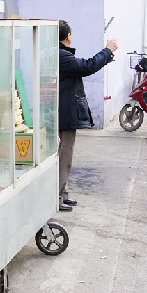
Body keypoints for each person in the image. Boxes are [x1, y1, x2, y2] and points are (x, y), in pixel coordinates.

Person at [58, 20, 118, 212]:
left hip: (63, 111)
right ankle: (56, 198)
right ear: (68, 36)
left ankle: (62, 194)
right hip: (64, 113)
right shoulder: (61, 56)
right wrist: (107, 51)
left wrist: (106, 56)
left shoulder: (59, 54)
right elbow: (87, 66)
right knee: (64, 155)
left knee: (64, 155)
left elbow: (86, 66)